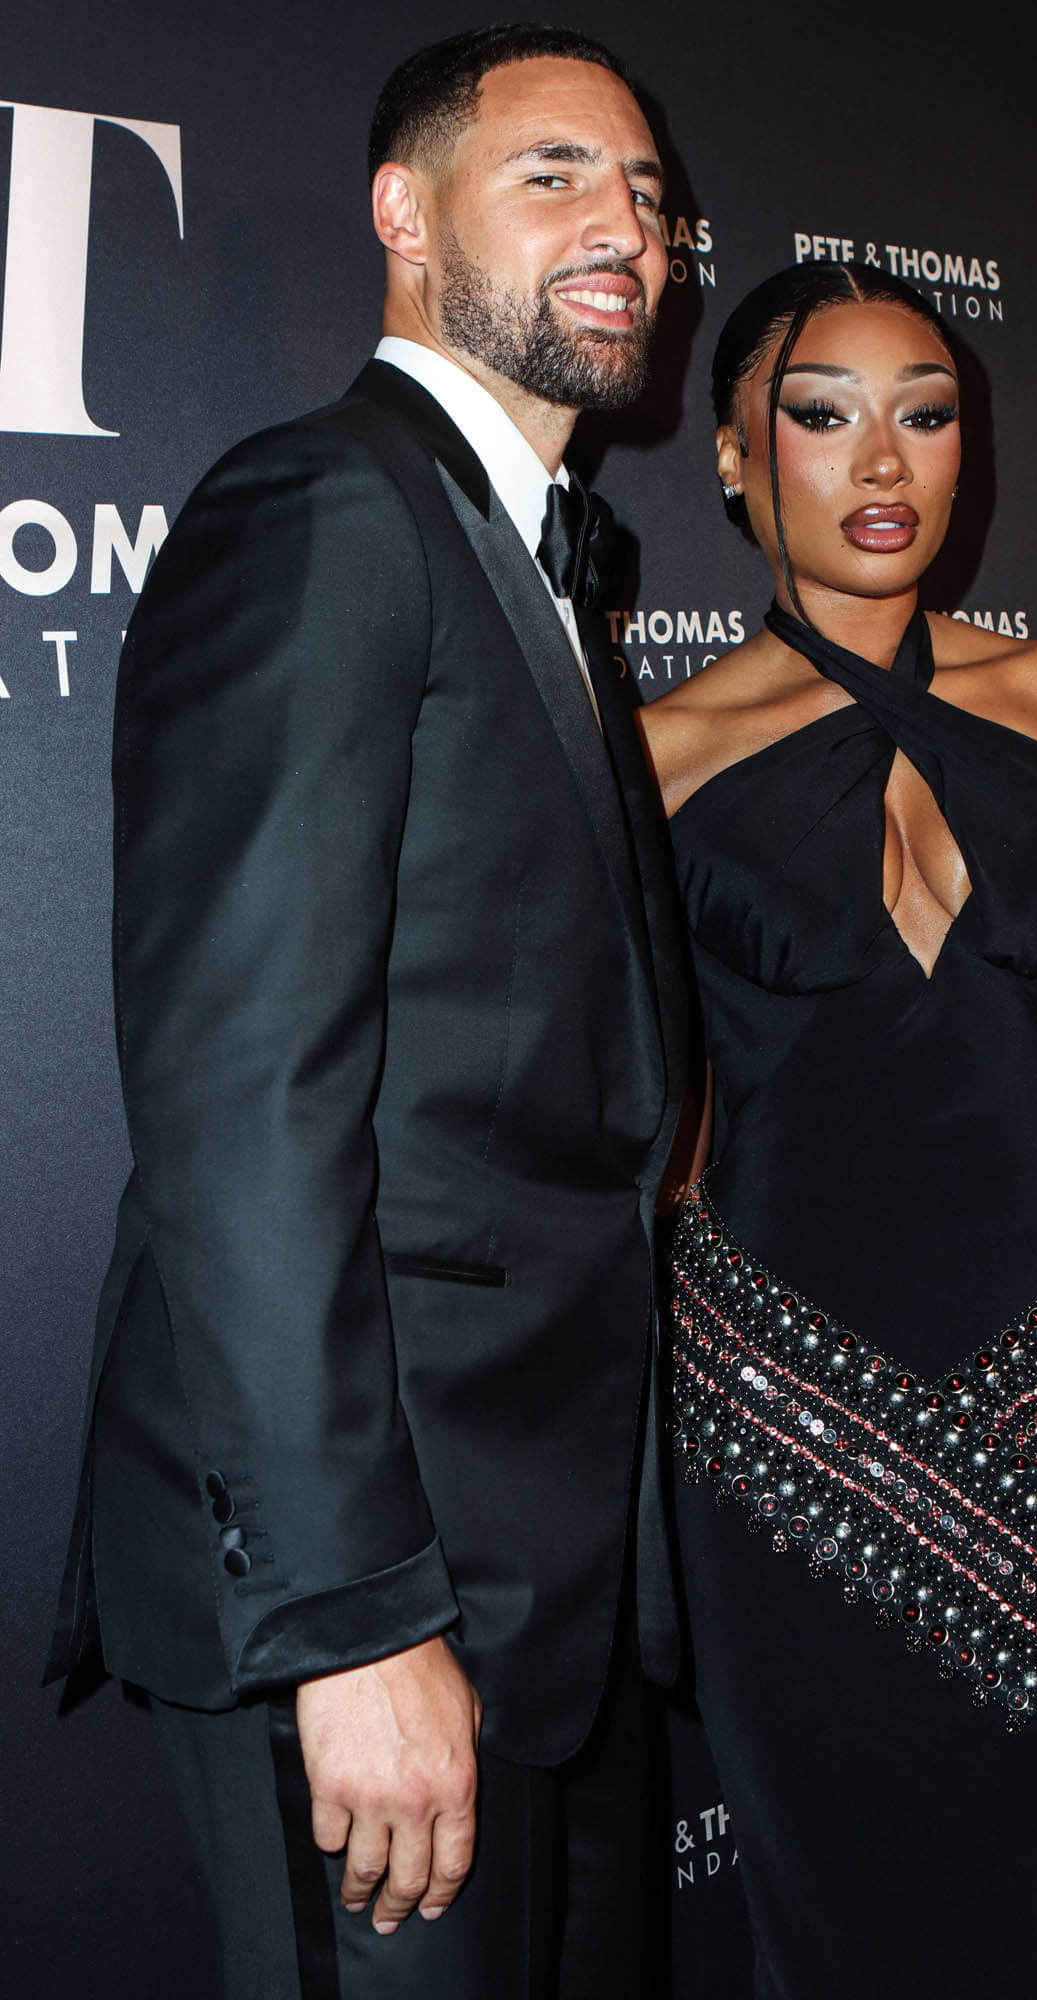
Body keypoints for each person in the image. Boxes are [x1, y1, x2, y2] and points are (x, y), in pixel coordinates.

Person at [45, 26, 691, 1999]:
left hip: (543, 1582)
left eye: (649, 195)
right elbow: (246, 1099)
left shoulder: (535, 557)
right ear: (404, 213)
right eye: (555, 174)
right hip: (375, 1585)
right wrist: (351, 1623)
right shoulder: (327, 510)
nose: (625, 228)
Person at [639, 263, 1037, 1998]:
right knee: (827, 1921)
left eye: (924, 414)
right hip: (785, 1429)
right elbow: (640, 1122)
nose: (881, 461)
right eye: (821, 415)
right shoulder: (651, 758)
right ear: (733, 456)